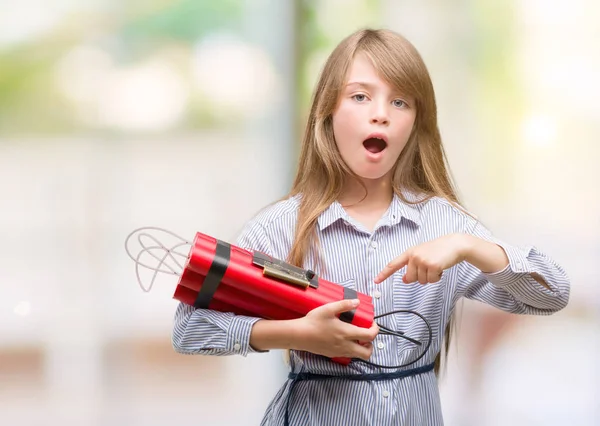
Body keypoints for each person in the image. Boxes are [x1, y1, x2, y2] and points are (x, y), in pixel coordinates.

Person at [171, 28, 570, 425]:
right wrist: (294, 333)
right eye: (360, 96)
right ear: (328, 110)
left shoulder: (445, 225)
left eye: (400, 101)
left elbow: (553, 293)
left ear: (415, 122)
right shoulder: (281, 227)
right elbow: (188, 330)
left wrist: (471, 246)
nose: (380, 112)